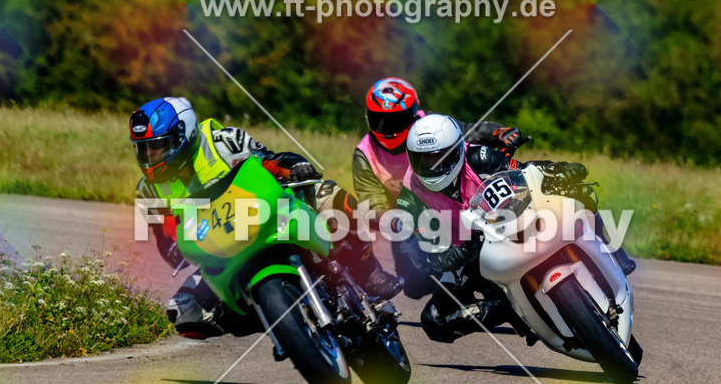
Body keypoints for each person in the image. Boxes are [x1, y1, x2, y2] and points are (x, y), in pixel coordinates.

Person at [131, 97, 403, 342]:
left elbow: (267, 161)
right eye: (143, 150)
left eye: (157, 147)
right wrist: (175, 250)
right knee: (182, 312)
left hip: (265, 211)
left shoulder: (221, 141)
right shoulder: (147, 189)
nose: (150, 157)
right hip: (218, 245)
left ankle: (367, 270)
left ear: (185, 134)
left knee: (329, 197)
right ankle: (263, 314)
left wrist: (294, 166)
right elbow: (164, 236)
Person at [395, 114, 636, 343]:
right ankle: (507, 310)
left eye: (439, 157)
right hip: (468, 254)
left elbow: (524, 170)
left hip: (510, 223)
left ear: (457, 150)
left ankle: (612, 252)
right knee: (434, 322)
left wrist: (557, 169)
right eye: (424, 159)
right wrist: (447, 256)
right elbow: (429, 244)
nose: (433, 166)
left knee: (580, 194)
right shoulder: (409, 196)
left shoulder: (480, 157)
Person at [351, 77, 522, 297]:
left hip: (456, 200)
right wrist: (396, 219)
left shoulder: (431, 125)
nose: (388, 130)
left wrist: (499, 133)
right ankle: (457, 292)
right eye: (379, 120)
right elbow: (371, 201)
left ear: (413, 113)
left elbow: (469, 131)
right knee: (416, 285)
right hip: (412, 215)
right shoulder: (364, 155)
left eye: (396, 121)